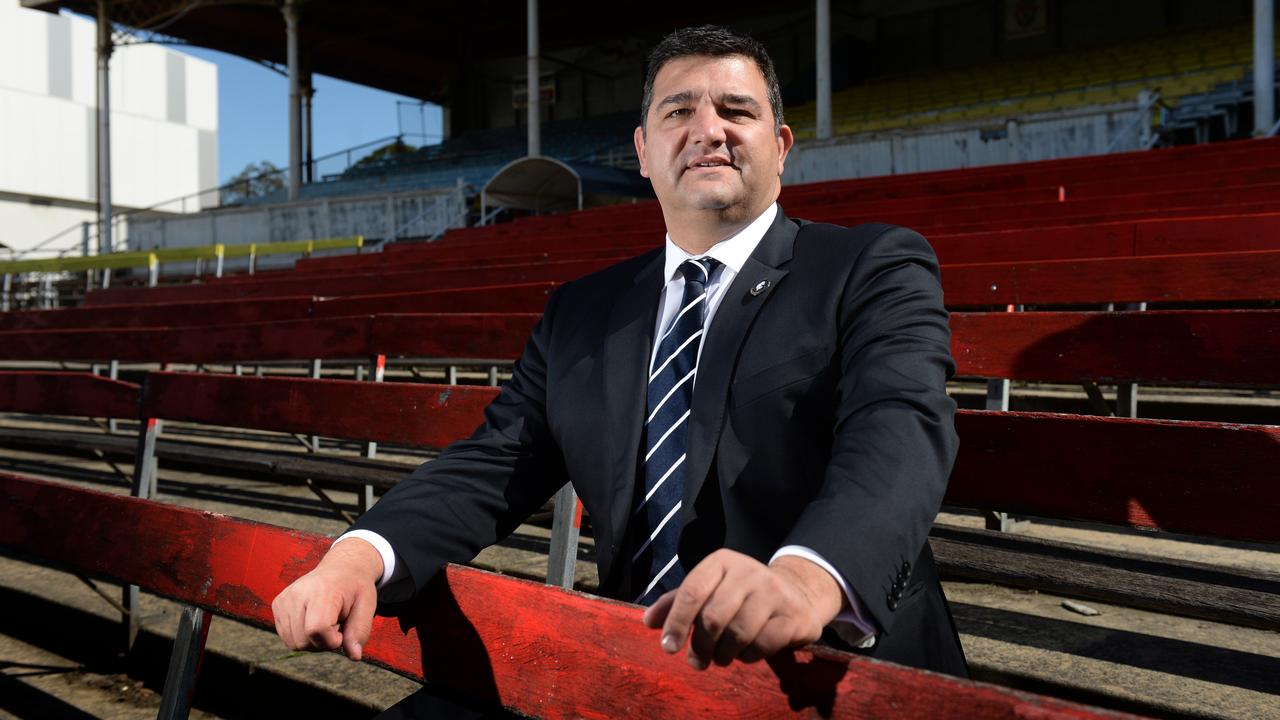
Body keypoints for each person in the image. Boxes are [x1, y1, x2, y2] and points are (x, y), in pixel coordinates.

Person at [273, 24, 967, 714]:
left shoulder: (870, 267)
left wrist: (806, 579)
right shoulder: (582, 311)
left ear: (780, 147)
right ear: (642, 150)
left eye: (736, 110)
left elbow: (897, 426)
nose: (707, 130)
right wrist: (359, 557)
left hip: (831, 674)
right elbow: (495, 462)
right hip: (639, 660)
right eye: (677, 111)